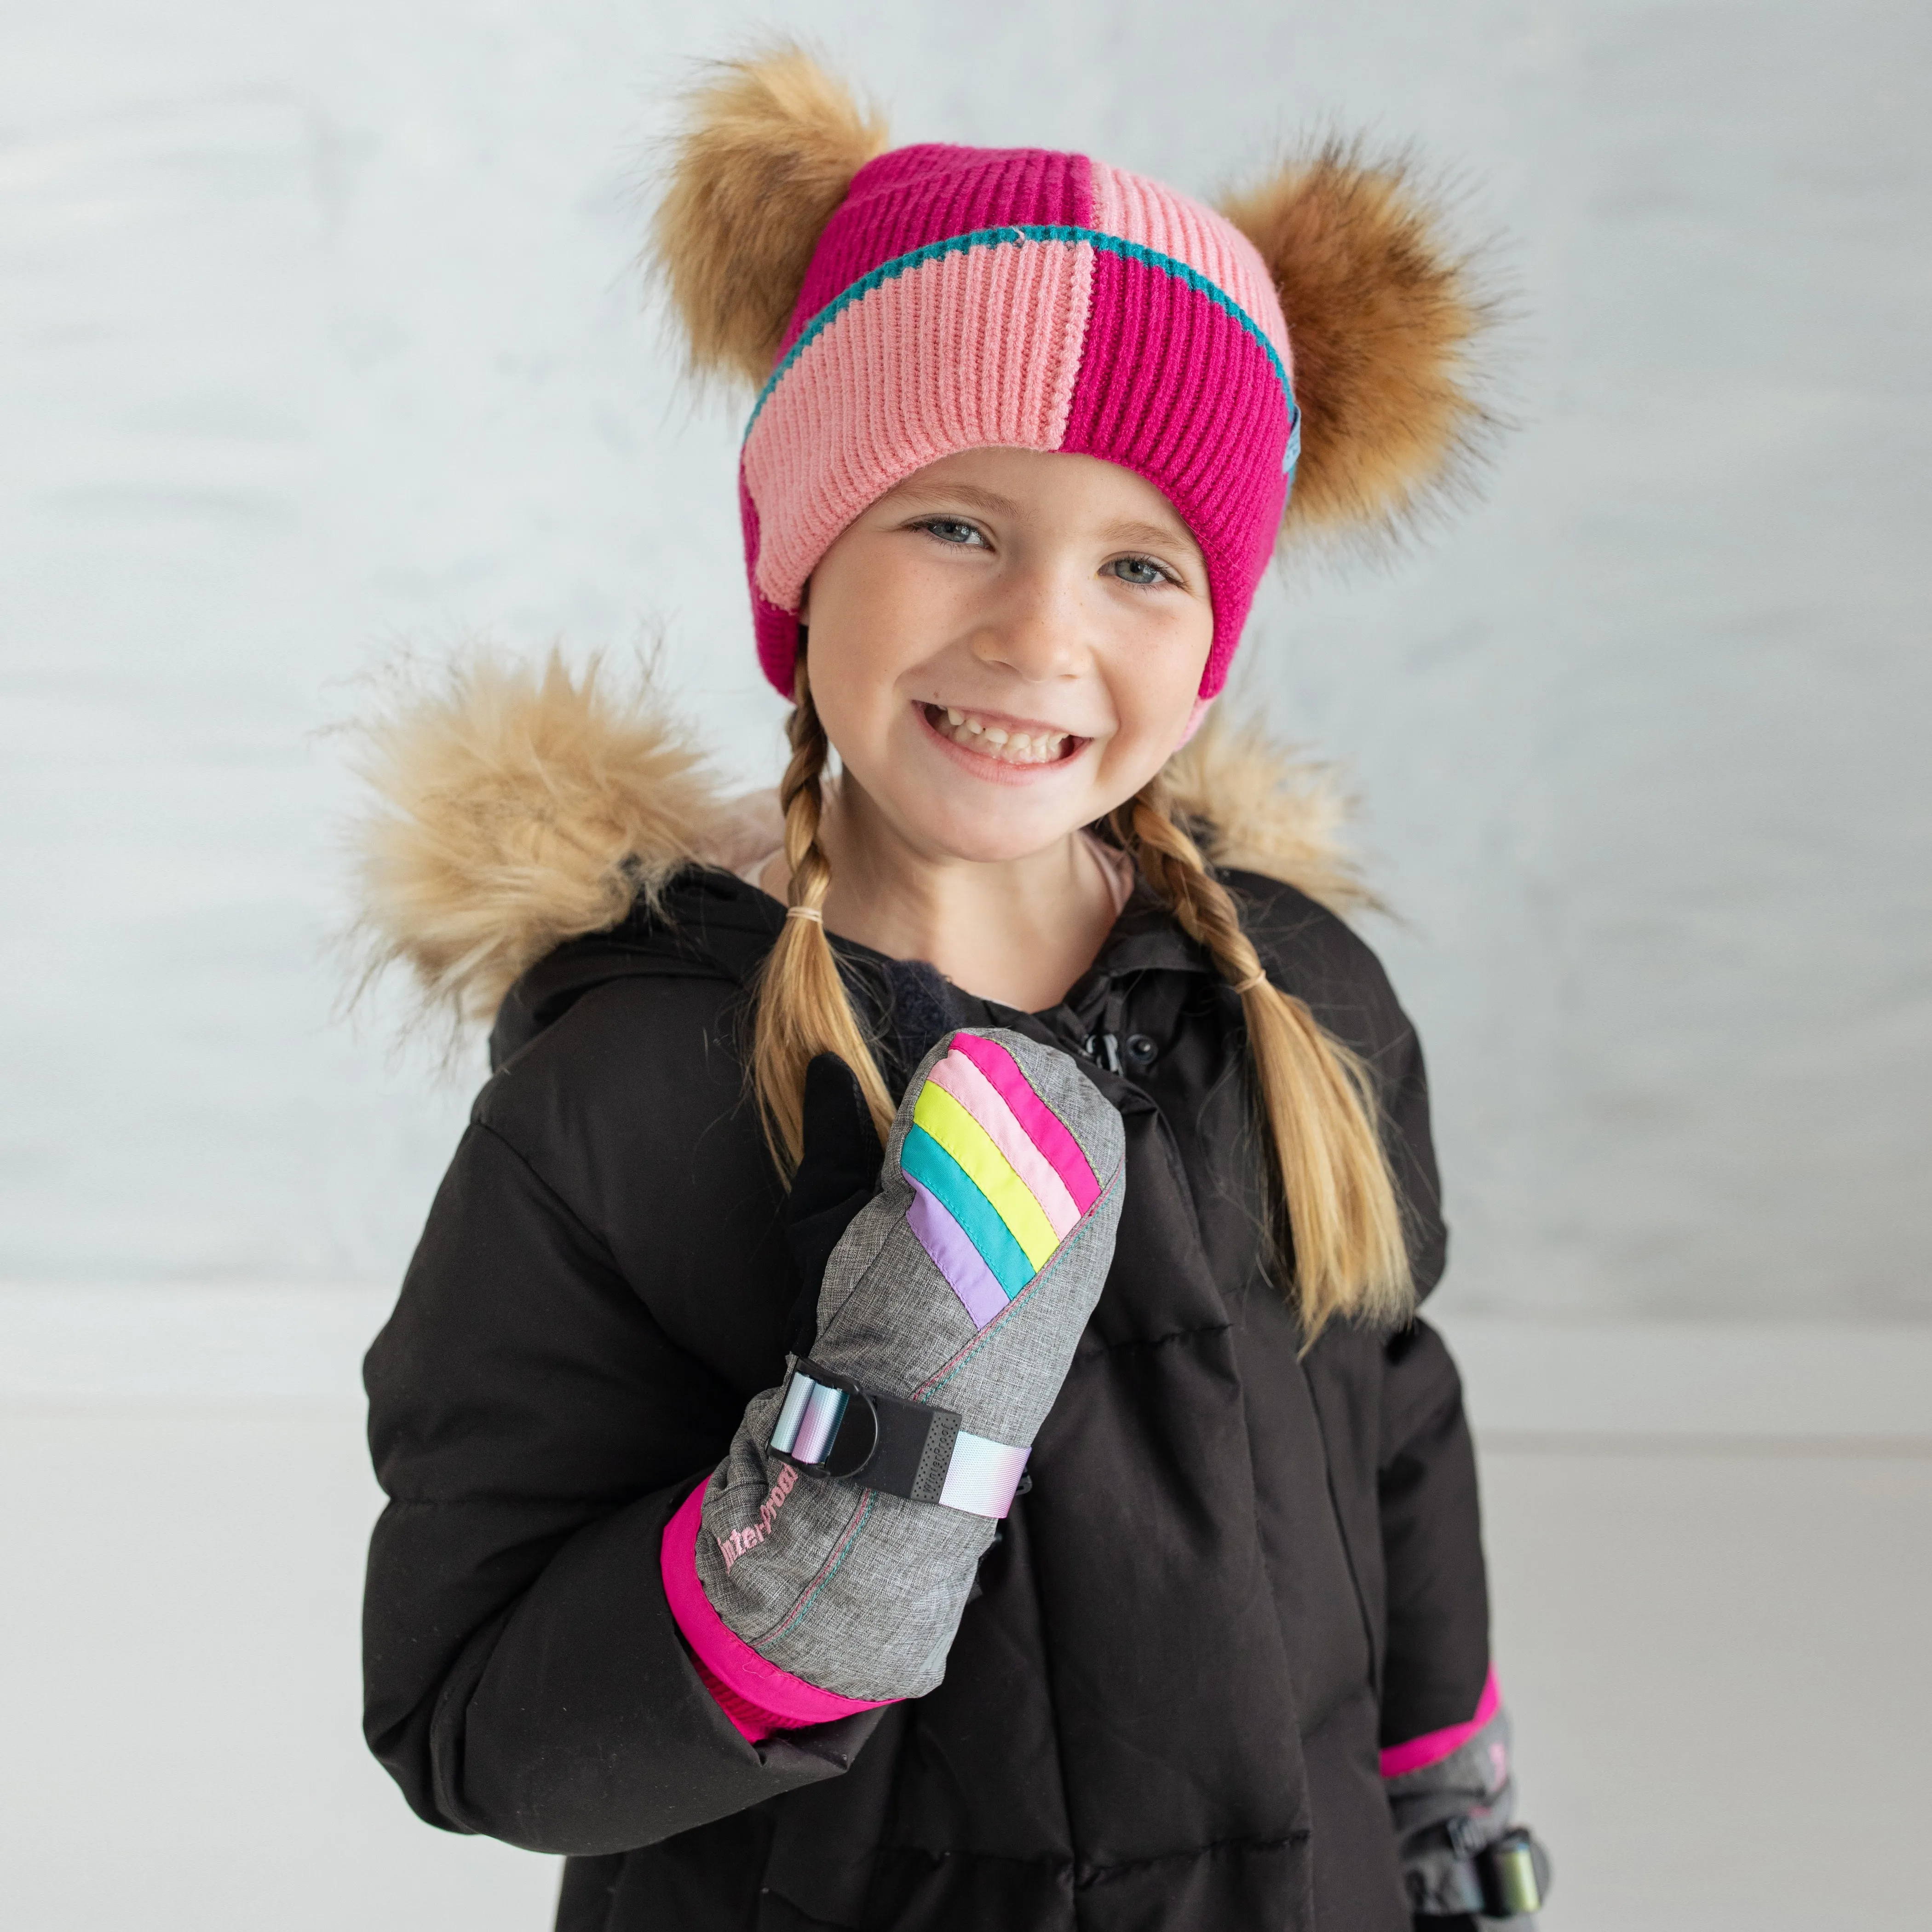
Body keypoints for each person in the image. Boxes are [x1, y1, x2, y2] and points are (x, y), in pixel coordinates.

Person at [352, 45, 1552, 1932]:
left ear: (1216, 635)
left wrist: (1448, 1827)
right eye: (957, 523)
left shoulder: (1299, 1007)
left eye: (1143, 563)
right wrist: (847, 1509)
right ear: (802, 546)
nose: (1041, 632)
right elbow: (465, 1708)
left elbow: (1394, 1424)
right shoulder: (631, 1086)